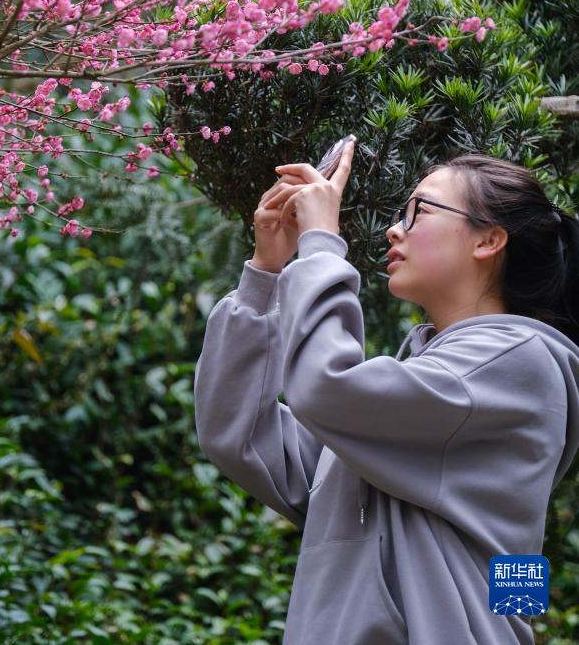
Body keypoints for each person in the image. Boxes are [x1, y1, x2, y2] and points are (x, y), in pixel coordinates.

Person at [193, 144, 579, 644]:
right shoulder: (432, 390)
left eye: (420, 211)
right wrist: (265, 275)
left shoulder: (516, 358)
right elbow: (237, 436)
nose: (395, 229)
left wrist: (321, 243)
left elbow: (325, 388)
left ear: (489, 240)